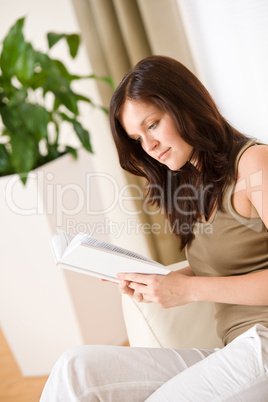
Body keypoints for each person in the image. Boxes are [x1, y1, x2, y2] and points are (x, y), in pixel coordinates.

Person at [40, 56, 268, 401]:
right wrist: (157, 281)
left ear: (186, 106)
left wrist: (189, 291)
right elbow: (230, 263)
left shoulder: (254, 163)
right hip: (235, 349)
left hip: (263, 342)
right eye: (137, 138)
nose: (149, 147)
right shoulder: (190, 183)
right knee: (76, 369)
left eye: (153, 125)